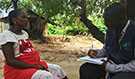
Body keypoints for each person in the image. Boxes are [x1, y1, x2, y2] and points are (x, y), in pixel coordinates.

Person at [0, 9, 68, 79]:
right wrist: (34, 66)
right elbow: (10, 61)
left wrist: (36, 64)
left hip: (31, 63)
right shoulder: (7, 36)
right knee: (46, 76)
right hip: (16, 70)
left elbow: (28, 51)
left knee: (57, 69)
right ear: (14, 20)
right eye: (23, 17)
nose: (27, 20)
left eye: (27, 17)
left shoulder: (24, 34)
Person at [79, 2, 135, 79]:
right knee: (86, 69)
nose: (107, 26)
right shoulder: (111, 29)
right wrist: (97, 53)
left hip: (127, 69)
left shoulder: (133, 31)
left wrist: (114, 68)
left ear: (122, 20)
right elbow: (107, 49)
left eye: (110, 23)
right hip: (109, 65)